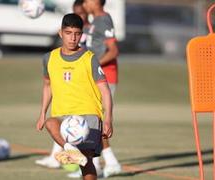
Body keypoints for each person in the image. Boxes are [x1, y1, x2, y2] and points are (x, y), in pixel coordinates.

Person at [35, 13, 113, 180]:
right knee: (50, 123)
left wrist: (108, 118)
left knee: (86, 161)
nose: (73, 38)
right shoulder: (49, 58)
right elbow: (47, 86)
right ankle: (70, 149)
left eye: (77, 34)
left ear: (82, 34)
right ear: (60, 33)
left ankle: (75, 154)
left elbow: (105, 90)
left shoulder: (89, 59)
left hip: (89, 116)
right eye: (69, 33)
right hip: (64, 116)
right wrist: (42, 112)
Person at [82, 0, 122, 178]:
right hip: (95, 77)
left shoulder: (103, 19)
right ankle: (95, 165)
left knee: (96, 121)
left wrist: (94, 65)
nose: (85, 3)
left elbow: (113, 51)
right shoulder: (94, 21)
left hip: (105, 77)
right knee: (91, 120)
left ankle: (110, 163)